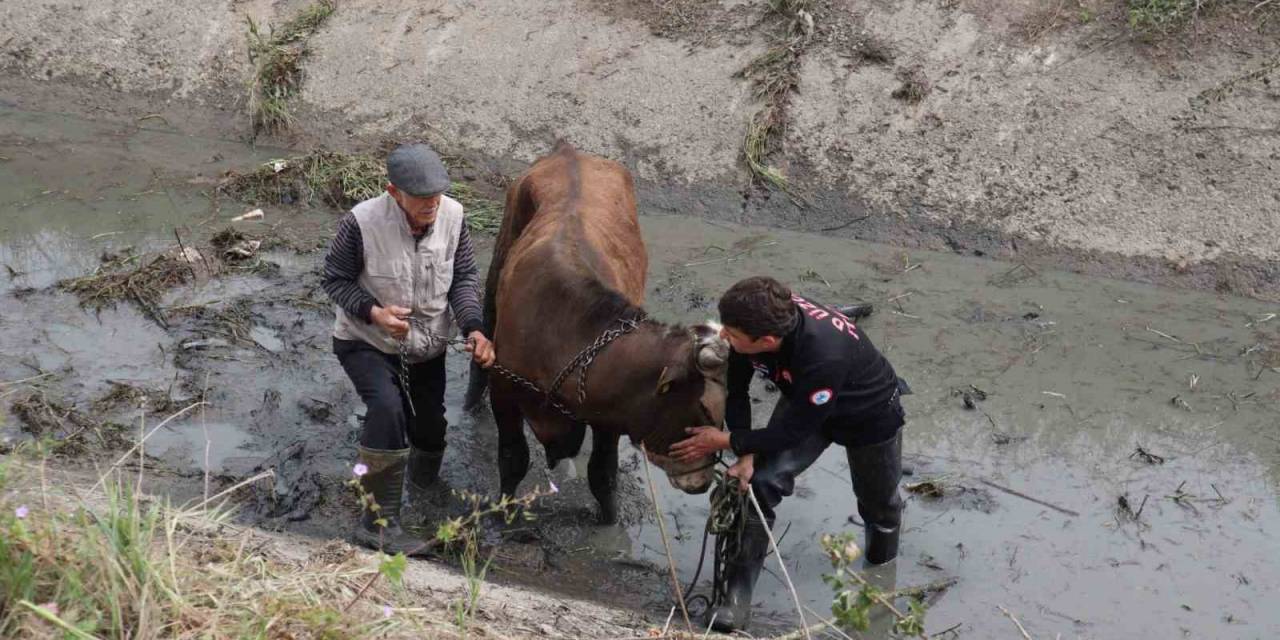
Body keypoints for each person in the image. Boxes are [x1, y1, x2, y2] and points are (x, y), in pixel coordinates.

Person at [671, 276, 906, 632]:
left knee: (880, 506)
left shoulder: (824, 355)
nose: (723, 338)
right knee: (760, 484)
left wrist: (722, 441)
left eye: (731, 335)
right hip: (803, 399)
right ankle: (736, 599)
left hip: (868, 414)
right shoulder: (753, 321)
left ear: (767, 341)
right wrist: (744, 456)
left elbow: (791, 433)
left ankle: (880, 577)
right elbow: (737, 392)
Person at [322, 143, 495, 555]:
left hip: (426, 347)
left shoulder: (453, 217)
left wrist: (474, 327)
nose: (432, 205)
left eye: (437, 196)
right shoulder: (361, 222)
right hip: (366, 341)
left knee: (430, 430)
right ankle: (377, 522)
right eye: (422, 198)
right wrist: (375, 312)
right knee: (387, 408)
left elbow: (464, 277)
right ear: (393, 191)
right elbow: (334, 279)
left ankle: (423, 485)